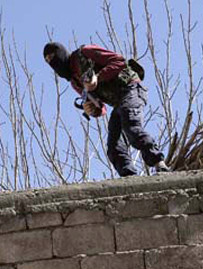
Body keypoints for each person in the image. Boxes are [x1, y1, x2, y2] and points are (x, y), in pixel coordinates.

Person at [43, 42, 170, 177]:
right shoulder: (75, 82)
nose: (52, 62)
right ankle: (129, 177)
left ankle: (159, 163)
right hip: (118, 103)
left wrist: (97, 77)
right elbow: (100, 109)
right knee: (114, 146)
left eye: (53, 56)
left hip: (130, 89)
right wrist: (91, 109)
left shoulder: (85, 53)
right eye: (48, 61)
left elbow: (119, 61)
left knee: (131, 126)